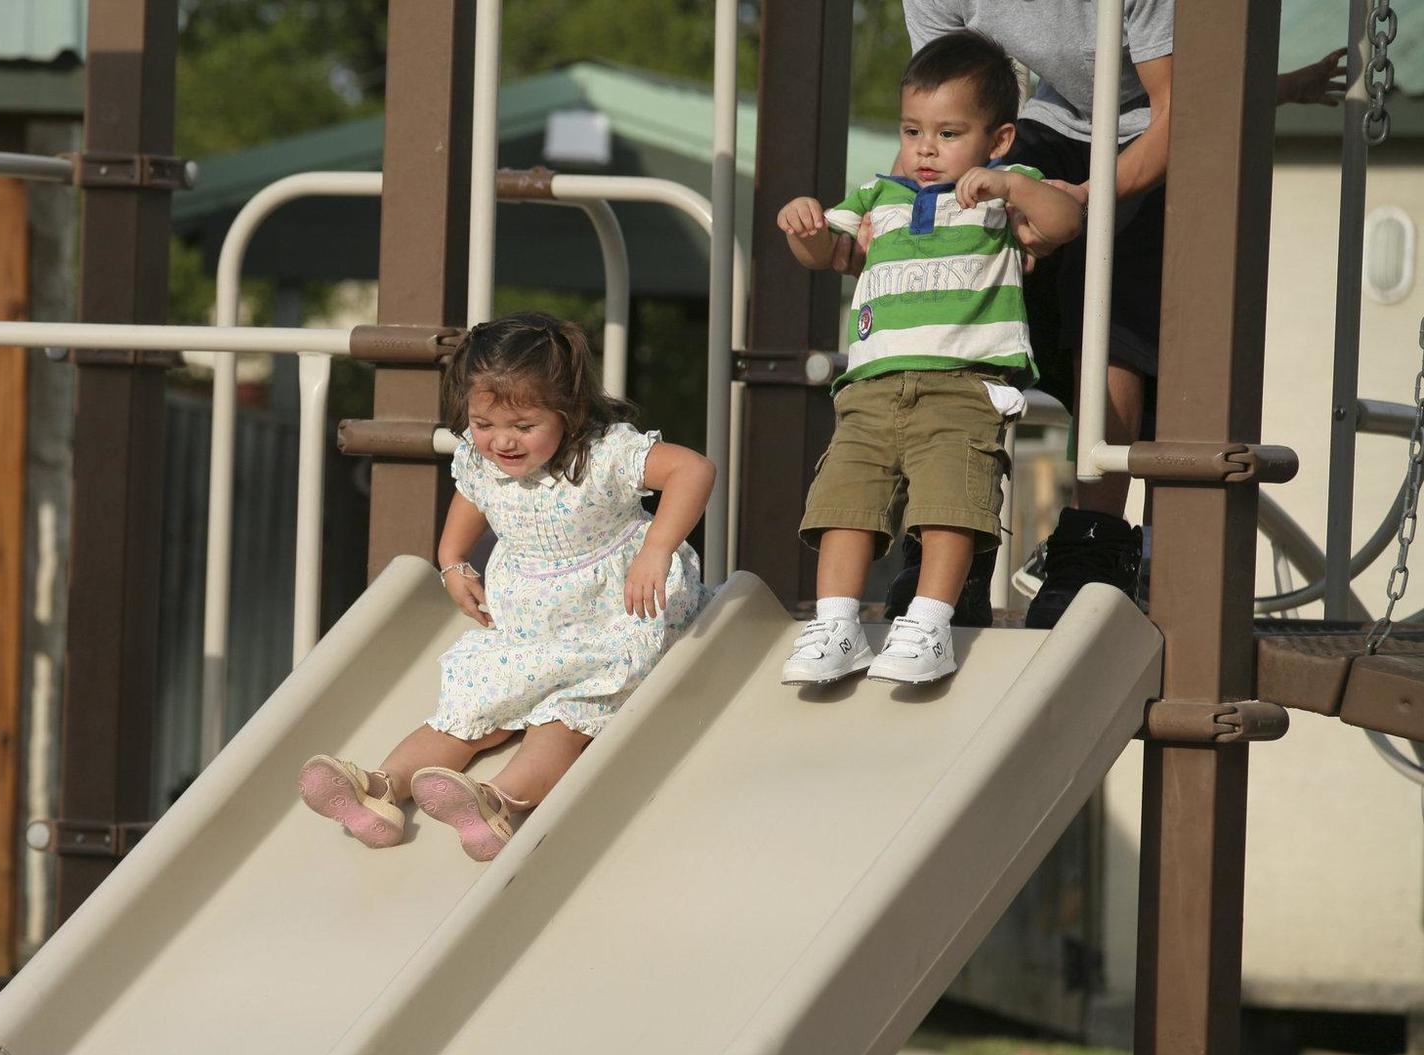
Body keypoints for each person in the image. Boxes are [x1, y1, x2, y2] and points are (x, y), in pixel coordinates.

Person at [892, 0, 1343, 628]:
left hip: (1150, 129)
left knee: (1110, 289)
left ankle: (1093, 544)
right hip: (1052, 125)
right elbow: (936, 123)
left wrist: (1084, 199)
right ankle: (951, 534)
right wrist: (895, 223)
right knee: (961, 263)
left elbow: (1182, 103)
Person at [298, 312, 714, 862]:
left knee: (563, 714)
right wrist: (451, 561)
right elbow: (474, 498)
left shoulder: (605, 453)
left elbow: (693, 470)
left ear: (568, 409)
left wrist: (656, 549)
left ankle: (497, 801)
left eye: (522, 426)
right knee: (470, 705)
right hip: (528, 620)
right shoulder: (482, 456)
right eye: (484, 424)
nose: (501, 441)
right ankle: (378, 788)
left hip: (611, 614)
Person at [776, 30, 1084, 684]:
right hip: (871, 387)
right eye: (913, 130)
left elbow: (1060, 222)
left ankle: (930, 622)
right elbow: (830, 253)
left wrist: (1009, 187)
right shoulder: (878, 197)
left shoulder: (1005, 190)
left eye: (948, 133)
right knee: (843, 500)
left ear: (997, 139)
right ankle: (835, 622)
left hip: (962, 385)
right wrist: (806, 227)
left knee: (951, 502)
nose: (924, 148)